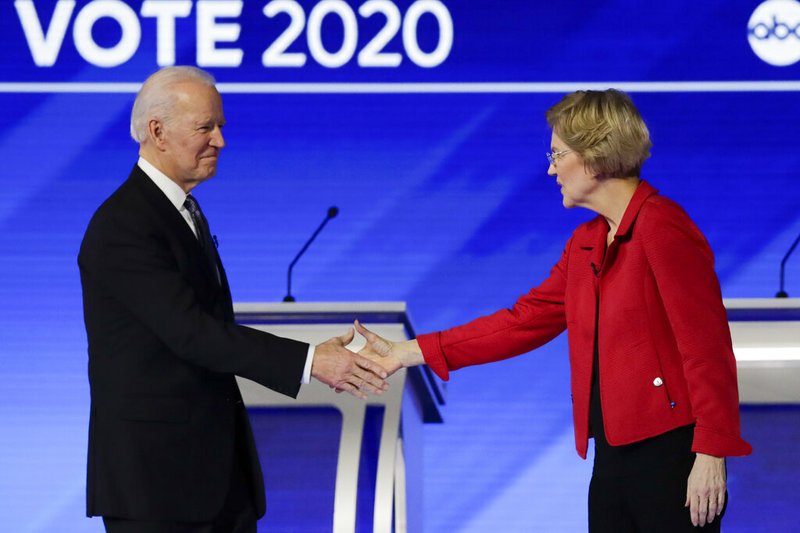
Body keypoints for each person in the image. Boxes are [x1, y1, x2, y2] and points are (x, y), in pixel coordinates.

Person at [355, 89, 751, 532]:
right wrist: (408, 352)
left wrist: (712, 451)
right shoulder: (584, 244)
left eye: (558, 154)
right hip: (612, 454)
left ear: (596, 154)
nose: (550, 168)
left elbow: (707, 347)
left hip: (672, 454)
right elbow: (522, 322)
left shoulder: (662, 227)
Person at [78, 66, 388, 533]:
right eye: (206, 128)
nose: (220, 141)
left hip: (217, 483)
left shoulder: (182, 211)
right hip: (158, 490)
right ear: (157, 132)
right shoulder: (125, 225)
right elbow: (191, 333)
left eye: (221, 126)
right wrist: (310, 361)